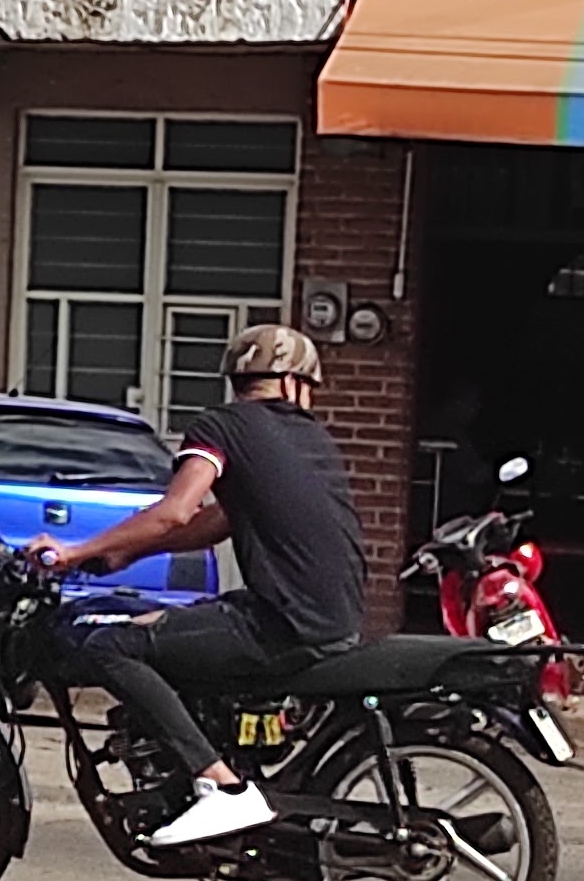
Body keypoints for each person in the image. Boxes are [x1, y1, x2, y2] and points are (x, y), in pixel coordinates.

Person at [29, 323, 368, 850]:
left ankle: (223, 788)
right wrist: (122, 551)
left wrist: (75, 551)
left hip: (282, 622)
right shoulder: (309, 438)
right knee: (159, 624)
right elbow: (216, 521)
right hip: (329, 617)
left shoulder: (224, 426)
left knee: (110, 644)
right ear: (298, 384)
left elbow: (175, 511)